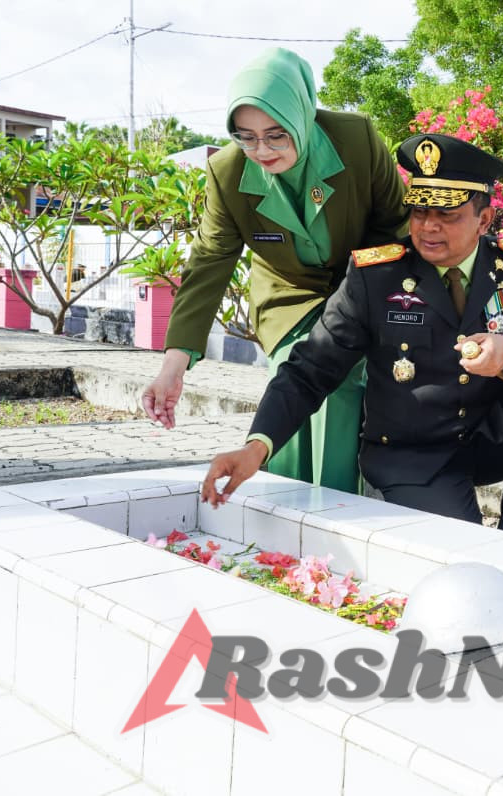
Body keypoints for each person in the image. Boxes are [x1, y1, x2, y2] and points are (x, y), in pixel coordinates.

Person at [200, 133, 503, 539]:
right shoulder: (377, 276)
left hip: (489, 439)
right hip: (412, 454)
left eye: (447, 214)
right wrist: (256, 446)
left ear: (484, 220)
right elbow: (311, 367)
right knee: (464, 551)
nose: (428, 226)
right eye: (419, 211)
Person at [142, 47, 407, 495]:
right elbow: (210, 260)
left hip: (360, 286)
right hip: (288, 296)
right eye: (246, 136)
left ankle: (338, 507)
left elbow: (394, 225)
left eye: (276, 135)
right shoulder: (227, 172)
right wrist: (174, 366)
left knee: (345, 381)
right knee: (291, 372)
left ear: (302, 115)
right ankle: (283, 503)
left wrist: (376, 306)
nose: (260, 150)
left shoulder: (356, 139)